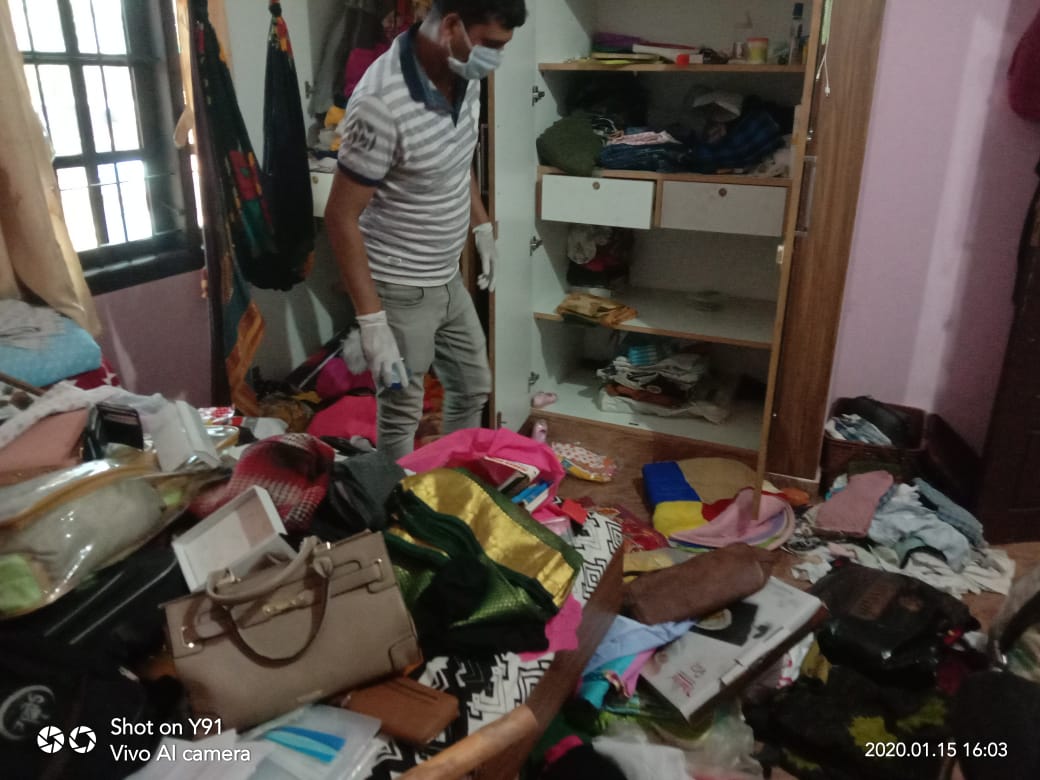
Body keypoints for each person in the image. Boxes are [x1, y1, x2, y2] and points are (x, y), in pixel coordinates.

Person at [325, 0, 527, 460]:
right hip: (399, 287)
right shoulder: (381, 103)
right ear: (452, 26)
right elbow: (340, 217)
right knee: (403, 409)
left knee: (473, 386)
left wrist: (482, 227)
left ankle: (449, 481)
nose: (497, 57)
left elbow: (456, 158)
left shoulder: (464, 73)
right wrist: (372, 322)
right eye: (492, 44)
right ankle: (397, 499)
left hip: (446, 275)